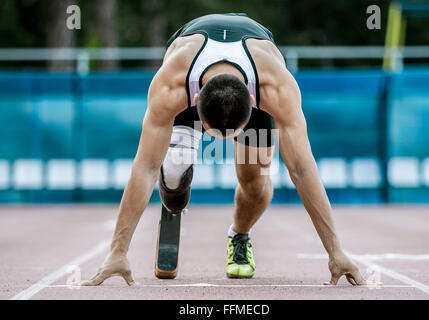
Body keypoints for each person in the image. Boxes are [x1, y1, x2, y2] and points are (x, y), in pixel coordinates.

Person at [80, 13, 366, 285]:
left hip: (250, 72)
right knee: (170, 174)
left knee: (255, 184)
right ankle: (173, 194)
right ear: (193, 101)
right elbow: (144, 167)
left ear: (255, 102)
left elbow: (302, 170)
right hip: (191, 67)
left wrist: (336, 251)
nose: (219, 142)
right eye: (210, 132)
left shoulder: (277, 88)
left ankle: (239, 236)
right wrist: (117, 252)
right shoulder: (171, 85)